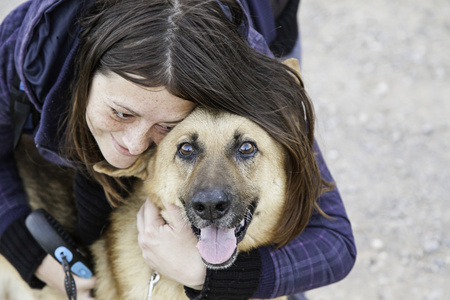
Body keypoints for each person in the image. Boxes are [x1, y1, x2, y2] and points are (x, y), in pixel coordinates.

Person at [0, 0, 356, 299]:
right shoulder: (25, 52)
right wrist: (17, 239)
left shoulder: (261, 89)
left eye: (169, 126)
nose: (135, 145)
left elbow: (334, 241)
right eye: (121, 112)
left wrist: (214, 279)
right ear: (85, 75)